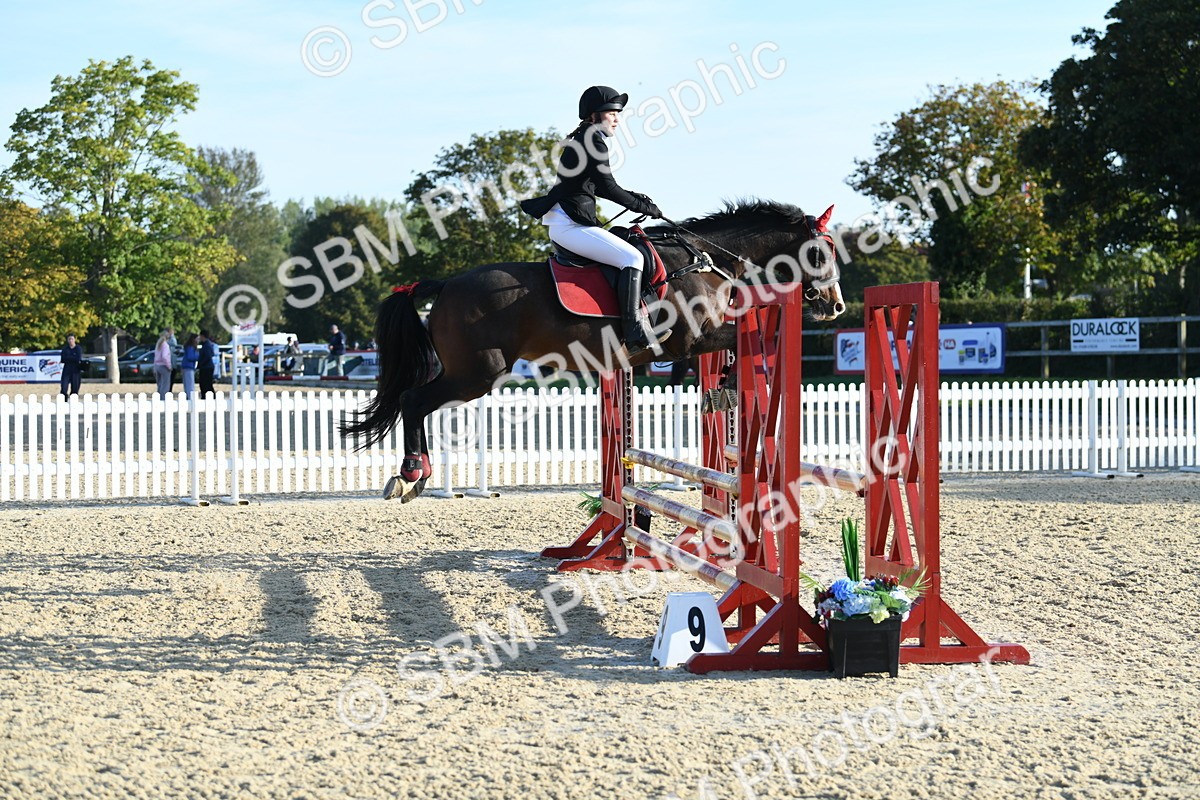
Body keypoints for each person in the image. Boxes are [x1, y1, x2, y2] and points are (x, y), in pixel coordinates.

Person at [520, 85, 665, 358]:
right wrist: (643, 206)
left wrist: (635, 198)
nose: (617, 119)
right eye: (613, 113)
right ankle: (634, 330)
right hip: (570, 226)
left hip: (569, 223)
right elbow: (608, 188)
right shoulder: (593, 139)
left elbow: (595, 186)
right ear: (595, 115)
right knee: (634, 258)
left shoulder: (585, 138)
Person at [59, 333, 83, 398]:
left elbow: (78, 358)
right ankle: (64, 400)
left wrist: (69, 358)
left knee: (75, 388)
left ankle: (73, 401)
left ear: (74, 339)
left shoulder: (78, 348)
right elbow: (63, 359)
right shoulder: (65, 349)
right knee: (64, 386)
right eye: (69, 339)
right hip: (67, 369)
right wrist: (72, 357)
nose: (70, 340)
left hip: (76, 370)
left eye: (72, 339)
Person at [153, 329, 173, 399]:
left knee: (160, 385)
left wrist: (154, 367)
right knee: (165, 384)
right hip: (164, 366)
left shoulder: (158, 344)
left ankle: (158, 399)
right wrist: (169, 366)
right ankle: (163, 399)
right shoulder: (165, 345)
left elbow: (155, 356)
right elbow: (165, 356)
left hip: (157, 366)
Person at [197, 330, 217, 398]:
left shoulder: (207, 345)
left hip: (206, 367)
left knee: (206, 384)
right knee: (205, 384)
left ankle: (208, 397)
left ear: (203, 336)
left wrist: (201, 363)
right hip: (206, 366)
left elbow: (208, 356)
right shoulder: (206, 344)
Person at [180, 334, 199, 398]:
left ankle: (188, 397)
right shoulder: (191, 347)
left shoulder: (188, 347)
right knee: (190, 384)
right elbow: (190, 357)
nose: (198, 340)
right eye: (197, 339)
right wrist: (198, 356)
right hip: (189, 367)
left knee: (186, 384)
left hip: (186, 366)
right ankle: (190, 398)